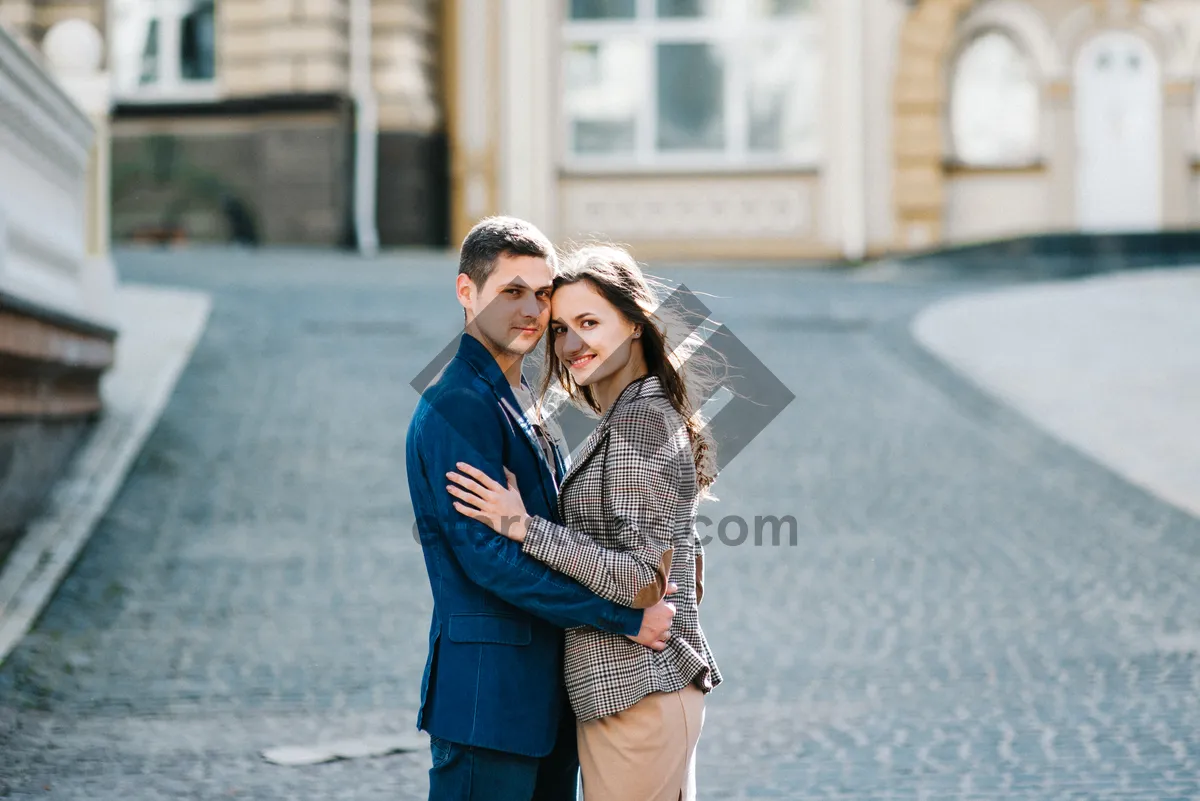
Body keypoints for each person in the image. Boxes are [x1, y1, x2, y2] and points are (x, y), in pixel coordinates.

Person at [405, 219, 679, 801]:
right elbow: (489, 561)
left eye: (542, 292)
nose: (531, 308)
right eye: (511, 291)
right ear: (466, 293)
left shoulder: (522, 398)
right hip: (490, 703)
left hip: (547, 705)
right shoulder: (461, 402)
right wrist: (626, 619)